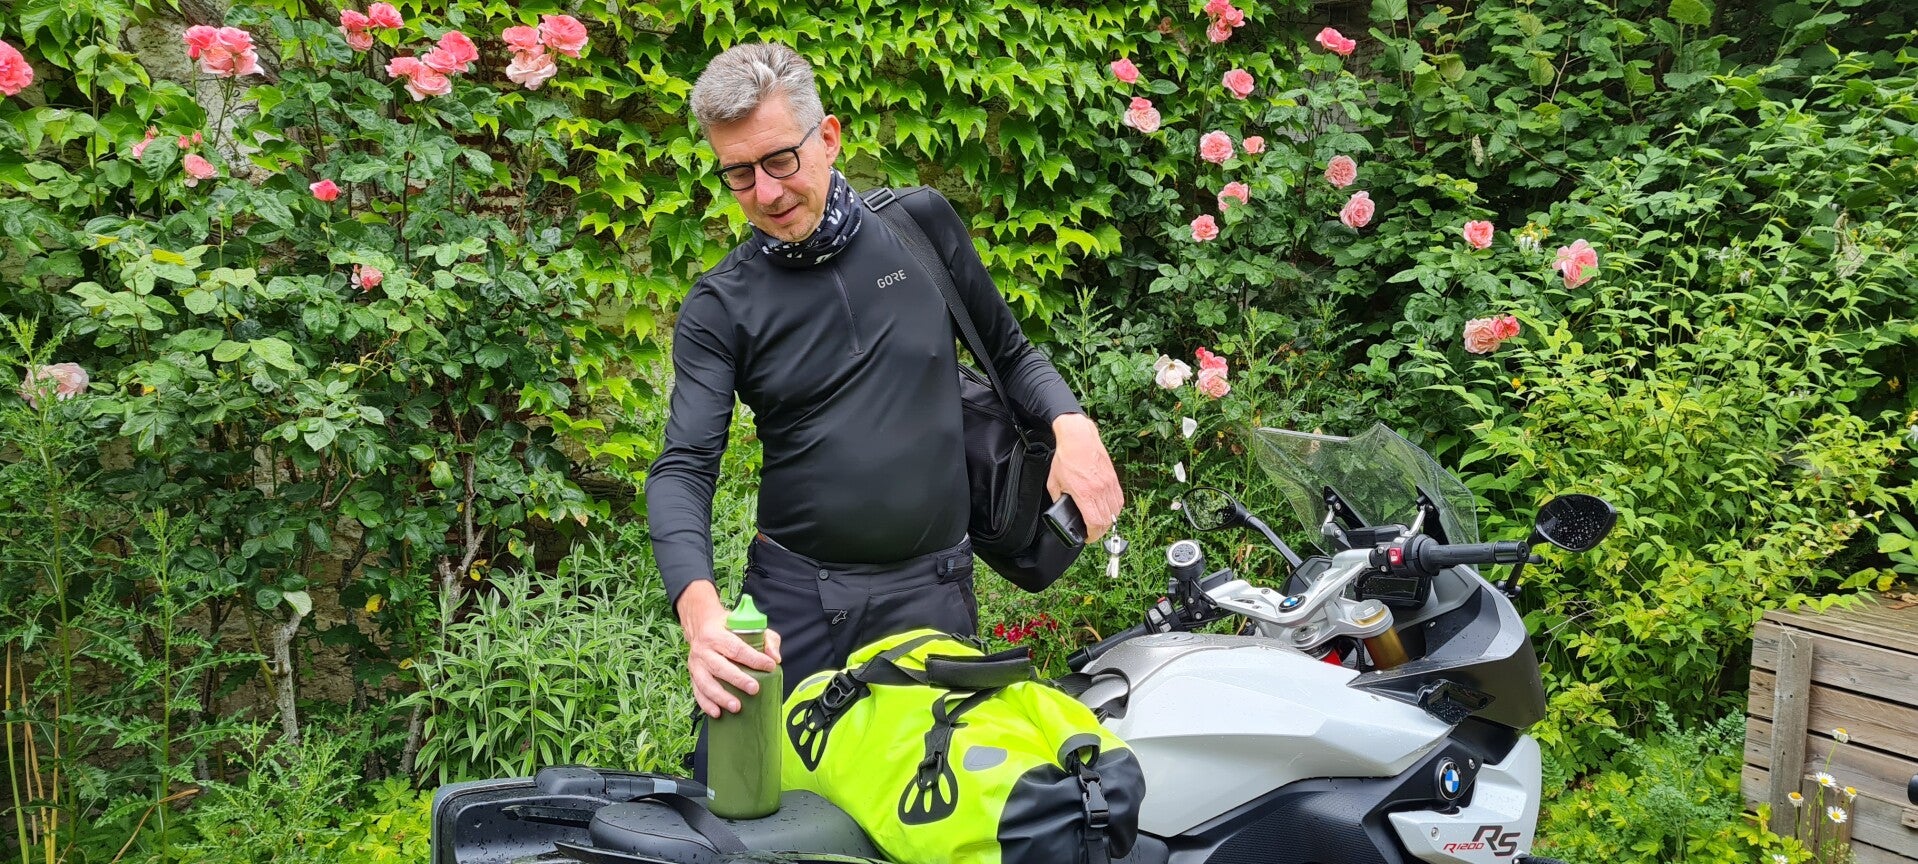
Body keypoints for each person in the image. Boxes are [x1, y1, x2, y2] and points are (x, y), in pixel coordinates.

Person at [645, 42, 1123, 730]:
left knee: (934, 788)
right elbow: (684, 468)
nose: (767, 194)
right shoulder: (722, 305)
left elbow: (1011, 352)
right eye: (739, 174)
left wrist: (1073, 426)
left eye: (780, 160)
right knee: (750, 791)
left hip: (935, 594)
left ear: (828, 138)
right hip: (794, 608)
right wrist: (701, 612)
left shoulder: (920, 227)